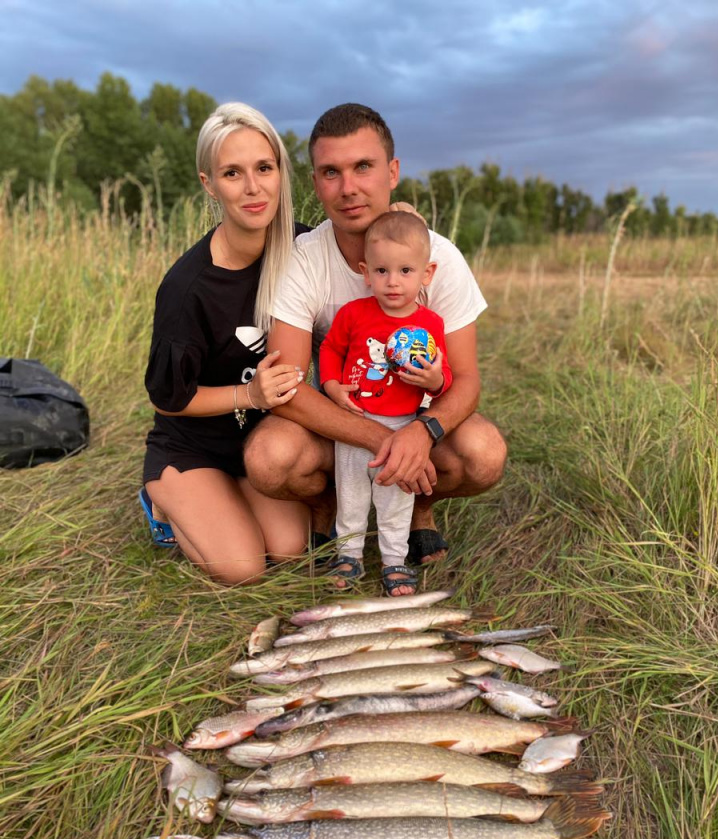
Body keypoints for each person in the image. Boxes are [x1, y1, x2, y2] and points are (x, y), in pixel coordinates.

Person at [243, 104, 506, 566]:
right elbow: (284, 387)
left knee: (484, 454)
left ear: (392, 171)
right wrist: (376, 437)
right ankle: (327, 507)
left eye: (363, 166)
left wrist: (421, 433)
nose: (349, 188)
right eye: (331, 172)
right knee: (268, 457)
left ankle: (418, 509)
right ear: (315, 183)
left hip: (414, 415)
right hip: (344, 416)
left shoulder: (439, 258)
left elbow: (466, 380)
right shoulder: (303, 259)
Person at [139, 103, 309, 585]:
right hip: (191, 444)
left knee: (291, 550)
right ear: (209, 184)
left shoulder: (304, 249)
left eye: (264, 168)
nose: (253, 188)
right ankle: (163, 505)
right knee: (243, 568)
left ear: (280, 171)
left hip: (258, 445)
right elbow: (168, 400)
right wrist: (249, 395)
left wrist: (395, 214)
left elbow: (369, 251)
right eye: (233, 173)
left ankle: (232, 497)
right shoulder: (187, 288)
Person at [320, 211, 452, 596]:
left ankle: (394, 562)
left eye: (406, 271)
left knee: (396, 498)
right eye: (381, 271)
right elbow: (330, 349)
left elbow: (448, 378)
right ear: (366, 272)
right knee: (351, 495)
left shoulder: (430, 325)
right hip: (354, 422)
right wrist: (330, 384)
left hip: (401, 426)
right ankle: (349, 556)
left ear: (426, 274)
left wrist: (435, 380)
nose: (392, 282)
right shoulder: (353, 314)